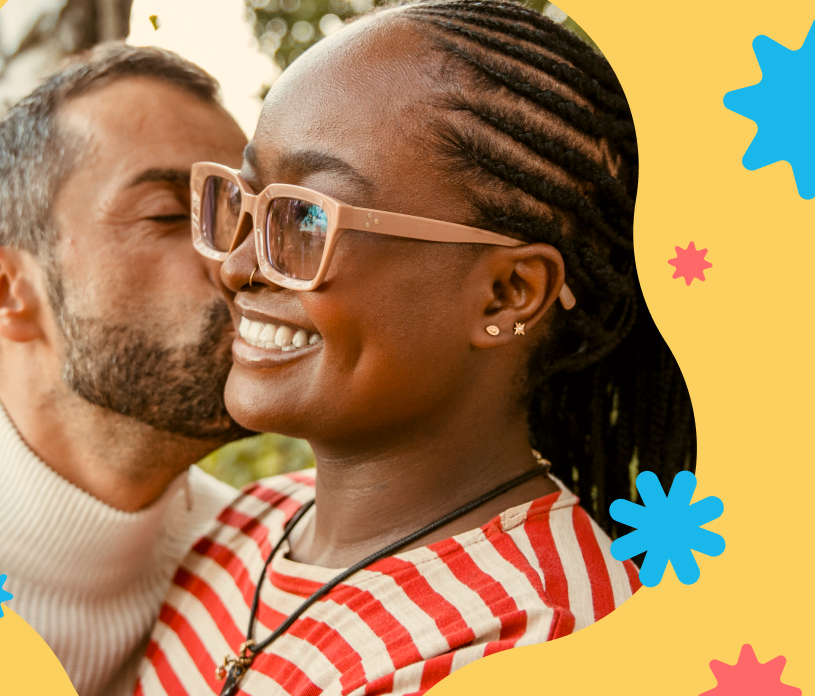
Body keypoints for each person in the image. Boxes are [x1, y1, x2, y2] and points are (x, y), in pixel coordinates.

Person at [139, 1, 697, 694]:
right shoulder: (242, 527)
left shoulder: (538, 636)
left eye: (307, 218)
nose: (234, 267)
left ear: (507, 292)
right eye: (244, 201)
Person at [0, 44, 251, 696]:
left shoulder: (253, 567)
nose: (244, 264)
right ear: (7, 290)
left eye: (246, 221)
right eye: (172, 216)